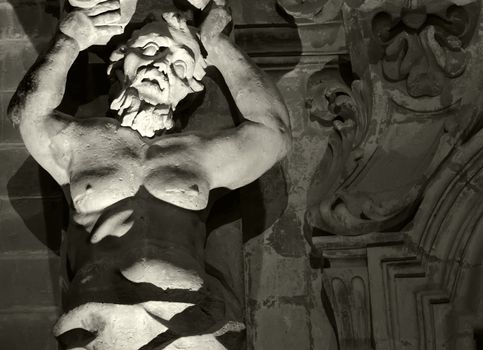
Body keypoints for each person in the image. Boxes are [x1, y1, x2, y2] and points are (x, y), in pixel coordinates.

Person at [8, 1, 291, 349]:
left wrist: (219, 45)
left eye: (180, 64)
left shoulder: (198, 154)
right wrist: (70, 41)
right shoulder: (81, 142)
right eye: (151, 49)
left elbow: (273, 134)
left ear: (191, 88)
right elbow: (28, 115)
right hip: (98, 321)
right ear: (120, 61)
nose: (160, 65)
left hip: (191, 325)